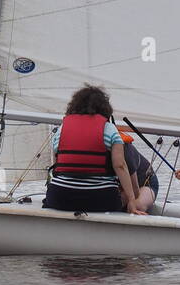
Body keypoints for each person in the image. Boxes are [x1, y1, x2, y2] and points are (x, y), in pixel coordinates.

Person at [45, 86, 141, 214]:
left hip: (60, 197)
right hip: (101, 199)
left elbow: (59, 159)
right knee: (122, 199)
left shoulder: (62, 129)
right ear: (105, 108)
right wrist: (131, 200)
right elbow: (120, 165)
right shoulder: (110, 129)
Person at [119, 130, 158, 213]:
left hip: (145, 183)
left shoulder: (124, 148)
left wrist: (131, 201)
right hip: (120, 187)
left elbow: (135, 189)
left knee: (137, 206)